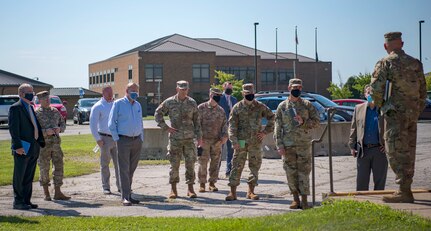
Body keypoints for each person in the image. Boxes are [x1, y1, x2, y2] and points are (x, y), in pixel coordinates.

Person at [370, 32, 427, 203]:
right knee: (409, 150)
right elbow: (423, 91)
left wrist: (382, 106)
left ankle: (404, 191)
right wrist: (416, 109)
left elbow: (376, 89)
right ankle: (405, 188)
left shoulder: (385, 62)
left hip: (395, 114)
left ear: (386, 46)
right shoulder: (415, 63)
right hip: (412, 115)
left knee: (394, 150)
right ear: (401, 43)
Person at [274, 79, 320, 209]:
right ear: (289, 88)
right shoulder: (282, 106)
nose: (297, 90)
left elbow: (317, 122)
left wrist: (303, 121)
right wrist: (279, 145)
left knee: (304, 172)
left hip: (303, 145)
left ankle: (304, 200)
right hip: (288, 146)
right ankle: (295, 199)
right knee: (290, 172)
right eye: (295, 87)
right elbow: (277, 127)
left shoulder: (307, 105)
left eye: (299, 87)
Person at [225, 83, 274, 201]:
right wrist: (234, 141)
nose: (249, 96)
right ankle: (232, 192)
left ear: (254, 94)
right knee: (237, 164)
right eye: (247, 94)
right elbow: (232, 126)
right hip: (241, 141)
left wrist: (265, 132)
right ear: (243, 94)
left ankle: (251, 191)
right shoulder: (237, 107)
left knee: (255, 165)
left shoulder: (260, 106)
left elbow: (272, 117)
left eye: (251, 94)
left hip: (255, 141)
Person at [155, 80, 202, 199]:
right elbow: (158, 113)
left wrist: (199, 137)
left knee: (190, 164)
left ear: (188, 90)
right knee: (174, 164)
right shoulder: (170, 102)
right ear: (177, 89)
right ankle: (173, 189)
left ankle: (190, 189)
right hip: (175, 139)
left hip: (189, 139)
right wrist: (166, 127)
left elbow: (197, 121)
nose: (184, 91)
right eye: (181, 89)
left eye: (185, 89)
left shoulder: (192, 103)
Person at [8, 83, 45, 210]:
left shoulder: (30, 107)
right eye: (29, 92)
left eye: (32, 91)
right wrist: (17, 146)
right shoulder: (16, 108)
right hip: (22, 147)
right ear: (21, 94)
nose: (32, 94)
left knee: (29, 175)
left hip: (33, 146)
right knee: (20, 175)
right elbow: (14, 130)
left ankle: (26, 200)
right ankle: (18, 202)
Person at [108, 83, 143, 206]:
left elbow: (140, 122)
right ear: (126, 90)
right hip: (123, 140)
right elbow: (111, 123)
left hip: (136, 140)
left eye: (137, 91)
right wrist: (117, 139)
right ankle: (125, 197)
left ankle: (129, 194)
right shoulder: (118, 104)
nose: (135, 93)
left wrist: (141, 137)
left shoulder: (138, 105)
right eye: (133, 90)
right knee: (123, 169)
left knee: (131, 169)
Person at [349, 85, 388, 191]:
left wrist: (387, 145)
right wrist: (352, 146)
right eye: (368, 92)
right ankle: (362, 203)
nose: (370, 94)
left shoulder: (383, 108)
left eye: (372, 92)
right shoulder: (358, 108)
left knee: (379, 181)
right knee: (361, 181)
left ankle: (379, 204)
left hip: (379, 150)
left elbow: (390, 127)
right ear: (365, 95)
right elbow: (354, 128)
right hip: (363, 150)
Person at [35, 91, 70, 201]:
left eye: (48, 98)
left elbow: (63, 123)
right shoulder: (37, 113)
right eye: (45, 99)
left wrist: (60, 129)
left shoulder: (55, 111)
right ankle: (46, 193)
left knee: (59, 166)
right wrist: (46, 132)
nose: (47, 100)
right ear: (40, 100)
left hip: (56, 145)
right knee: (44, 168)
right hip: (43, 146)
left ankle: (58, 192)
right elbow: (33, 131)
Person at [90, 86, 120, 195]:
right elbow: (93, 125)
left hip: (117, 138)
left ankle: (121, 187)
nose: (110, 95)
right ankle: (106, 187)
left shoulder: (116, 104)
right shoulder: (98, 106)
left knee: (120, 164)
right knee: (105, 164)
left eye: (112, 92)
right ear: (103, 93)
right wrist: (98, 139)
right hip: (104, 138)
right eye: (108, 93)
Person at [197, 88, 228, 193]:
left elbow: (225, 125)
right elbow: (196, 125)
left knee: (215, 163)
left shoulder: (221, 110)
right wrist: (198, 139)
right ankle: (202, 184)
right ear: (210, 95)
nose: (217, 97)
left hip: (217, 141)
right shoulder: (201, 108)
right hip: (203, 141)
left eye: (219, 95)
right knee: (202, 162)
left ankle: (212, 183)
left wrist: (224, 137)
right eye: (215, 95)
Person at [218, 82, 237, 177]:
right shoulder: (219, 98)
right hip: (220, 129)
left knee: (231, 151)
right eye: (228, 87)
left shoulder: (234, 99)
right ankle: (215, 172)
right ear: (223, 87)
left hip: (231, 129)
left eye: (231, 87)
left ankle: (228, 171)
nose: (229, 89)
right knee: (218, 151)